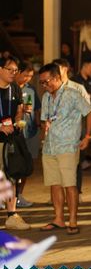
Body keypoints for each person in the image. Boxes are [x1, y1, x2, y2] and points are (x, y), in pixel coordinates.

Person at [38, 62, 91, 234]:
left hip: (68, 146)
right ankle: (58, 219)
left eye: (46, 81)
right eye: (41, 82)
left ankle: (72, 220)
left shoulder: (72, 94)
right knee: (54, 184)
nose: (44, 85)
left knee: (70, 184)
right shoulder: (46, 97)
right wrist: (45, 128)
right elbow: (44, 120)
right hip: (49, 147)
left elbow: (90, 112)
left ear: (57, 77)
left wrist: (88, 136)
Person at [0, 56, 31, 230]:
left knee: (12, 175)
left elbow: (19, 109)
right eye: (9, 70)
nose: (13, 73)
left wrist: (18, 120)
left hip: (11, 139)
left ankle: (12, 215)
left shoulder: (15, 88)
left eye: (15, 70)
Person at [15, 60, 41, 209]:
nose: (27, 79)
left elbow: (36, 109)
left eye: (30, 76)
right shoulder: (9, 88)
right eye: (25, 75)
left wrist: (38, 125)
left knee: (26, 166)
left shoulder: (30, 89)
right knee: (11, 166)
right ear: (18, 72)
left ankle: (19, 195)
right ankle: (7, 196)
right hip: (14, 134)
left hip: (30, 132)